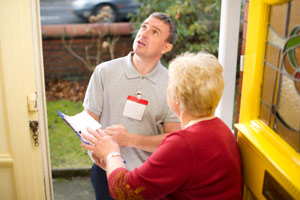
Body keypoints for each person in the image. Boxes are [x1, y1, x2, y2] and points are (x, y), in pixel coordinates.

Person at [82, 52, 243, 199]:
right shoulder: (222, 129)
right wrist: (112, 166)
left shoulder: (183, 144)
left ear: (177, 97)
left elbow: (125, 191)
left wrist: (111, 154)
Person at [83, 12, 181, 199]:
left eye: (154, 32)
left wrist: (131, 139)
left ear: (166, 47)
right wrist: (95, 146)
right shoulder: (104, 71)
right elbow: (88, 122)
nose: (143, 33)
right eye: (144, 27)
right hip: (106, 172)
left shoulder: (173, 83)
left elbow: (172, 142)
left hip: (149, 177)